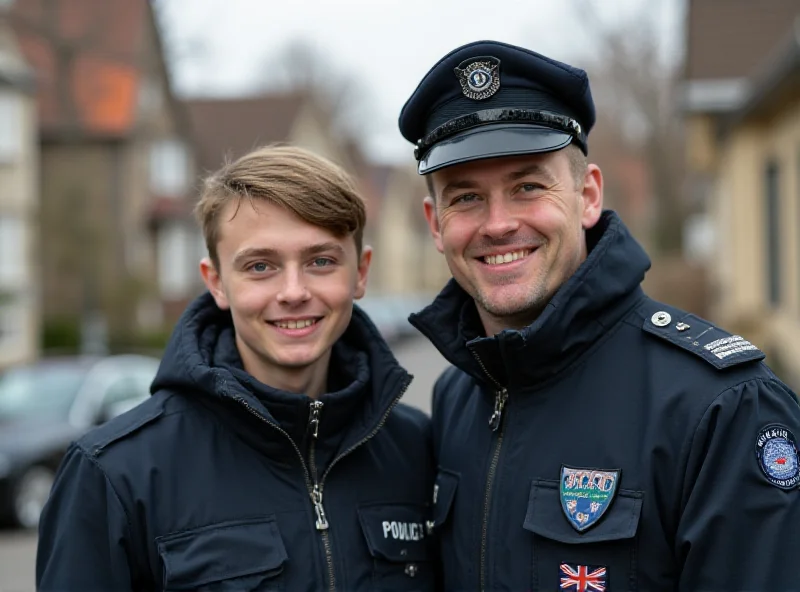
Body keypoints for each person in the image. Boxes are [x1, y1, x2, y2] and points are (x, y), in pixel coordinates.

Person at [398, 40, 800, 591]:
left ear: (588, 196)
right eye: (465, 197)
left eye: (528, 186)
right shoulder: (457, 398)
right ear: (435, 223)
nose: (496, 224)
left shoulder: (720, 408)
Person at [36, 145, 436, 591]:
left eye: (320, 261)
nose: (293, 291)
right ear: (216, 282)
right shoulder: (115, 473)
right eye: (260, 266)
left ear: (360, 273)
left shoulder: (415, 448)